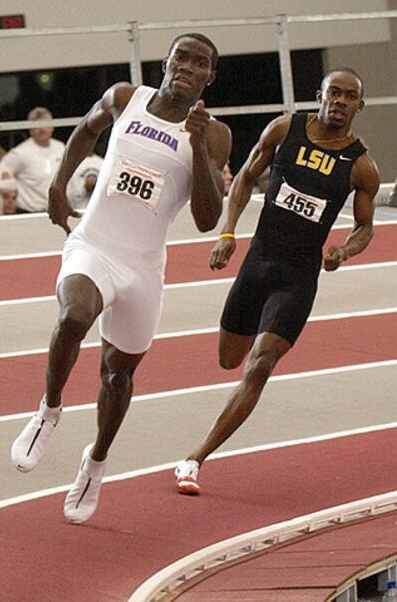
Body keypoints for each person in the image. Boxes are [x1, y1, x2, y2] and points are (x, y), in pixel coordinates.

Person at [10, 33, 231, 523]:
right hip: (94, 245)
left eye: (200, 63)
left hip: (144, 267)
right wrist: (57, 184)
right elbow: (87, 131)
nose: (187, 68)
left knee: (118, 373)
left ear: (209, 77)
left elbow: (205, 218)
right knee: (74, 316)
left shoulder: (214, 134)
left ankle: (95, 461)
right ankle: (49, 410)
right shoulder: (126, 98)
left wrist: (195, 144)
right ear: (167, 62)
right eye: (181, 58)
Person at [175, 67, 380, 495]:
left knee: (260, 364)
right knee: (229, 360)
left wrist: (344, 249)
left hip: (298, 278)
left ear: (359, 106)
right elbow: (247, 176)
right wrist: (228, 233)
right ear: (319, 95)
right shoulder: (285, 128)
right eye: (334, 93)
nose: (340, 102)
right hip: (257, 264)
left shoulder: (361, 166)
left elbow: (365, 227)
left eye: (350, 97)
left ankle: (195, 458)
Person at [0, 107, 65, 213]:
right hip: (29, 211)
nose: (42, 129)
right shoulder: (20, 152)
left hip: (56, 210)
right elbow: (1, 174)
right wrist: (9, 189)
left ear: (52, 126)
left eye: (45, 124)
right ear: (30, 129)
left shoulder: (60, 147)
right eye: (36, 126)